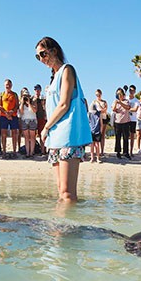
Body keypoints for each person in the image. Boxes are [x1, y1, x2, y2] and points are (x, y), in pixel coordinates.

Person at [36, 37, 91, 204]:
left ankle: (69, 229)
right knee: (61, 192)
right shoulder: (53, 79)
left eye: (43, 54)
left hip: (68, 136)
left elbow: (64, 104)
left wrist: (45, 128)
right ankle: (60, 227)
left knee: (68, 194)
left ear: (54, 51)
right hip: (55, 139)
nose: (41, 59)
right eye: (38, 56)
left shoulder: (67, 70)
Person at [112, 87, 131, 159]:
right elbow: (114, 109)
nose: (119, 95)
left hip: (125, 122)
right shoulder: (115, 101)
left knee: (126, 138)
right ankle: (118, 152)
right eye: (118, 94)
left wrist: (120, 103)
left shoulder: (126, 101)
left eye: (120, 94)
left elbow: (127, 107)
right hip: (117, 122)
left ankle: (126, 152)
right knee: (118, 138)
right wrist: (116, 103)